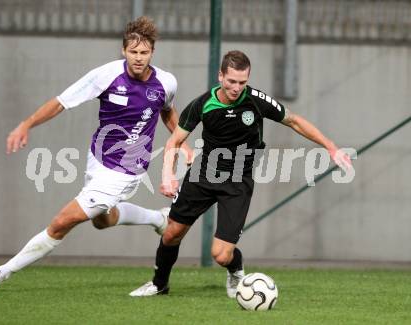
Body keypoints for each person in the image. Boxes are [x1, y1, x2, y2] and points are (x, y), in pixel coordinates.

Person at [0, 16, 192, 291]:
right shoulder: (106, 75)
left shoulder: (166, 82)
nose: (138, 58)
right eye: (133, 52)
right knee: (103, 220)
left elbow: (167, 110)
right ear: (124, 50)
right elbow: (61, 102)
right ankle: (158, 219)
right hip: (97, 159)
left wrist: (180, 140)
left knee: (63, 221)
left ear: (152, 52)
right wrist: (26, 124)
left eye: (144, 52)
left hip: (125, 171)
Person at [129, 50, 352, 298]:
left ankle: (236, 271)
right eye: (231, 81)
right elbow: (174, 142)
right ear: (221, 76)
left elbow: (295, 121)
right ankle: (159, 285)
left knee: (220, 254)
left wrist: (330, 147)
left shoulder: (255, 101)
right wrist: (167, 176)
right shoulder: (203, 104)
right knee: (171, 233)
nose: (236, 88)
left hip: (238, 180)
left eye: (242, 82)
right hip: (204, 173)